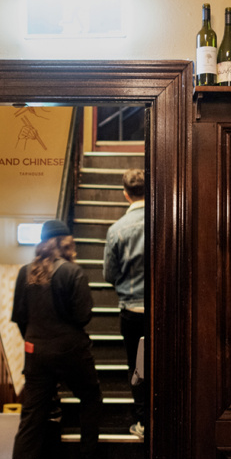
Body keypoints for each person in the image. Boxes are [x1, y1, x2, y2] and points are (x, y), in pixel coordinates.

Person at [4, 220, 103, 459]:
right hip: (71, 350)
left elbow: (19, 317)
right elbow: (83, 316)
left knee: (31, 420)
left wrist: (36, 341)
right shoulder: (73, 272)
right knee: (90, 396)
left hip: (36, 352)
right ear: (65, 242)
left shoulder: (26, 272)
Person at [102, 168, 146, 438]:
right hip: (162, 310)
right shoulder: (164, 222)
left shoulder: (117, 230)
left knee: (137, 367)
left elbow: (109, 275)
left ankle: (142, 422)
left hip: (132, 310)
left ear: (125, 194)